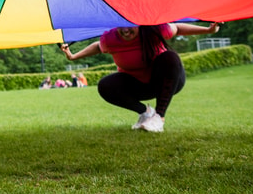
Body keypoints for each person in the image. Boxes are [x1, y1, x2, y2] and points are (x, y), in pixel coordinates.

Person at [59, 22, 221, 132]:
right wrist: (73, 57)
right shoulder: (111, 38)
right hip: (137, 86)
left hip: (166, 82)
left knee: (170, 57)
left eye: (131, 26)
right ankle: (146, 112)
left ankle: (159, 117)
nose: (126, 30)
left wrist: (208, 30)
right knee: (105, 85)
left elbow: (177, 28)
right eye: (121, 26)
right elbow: (97, 47)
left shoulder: (155, 29)